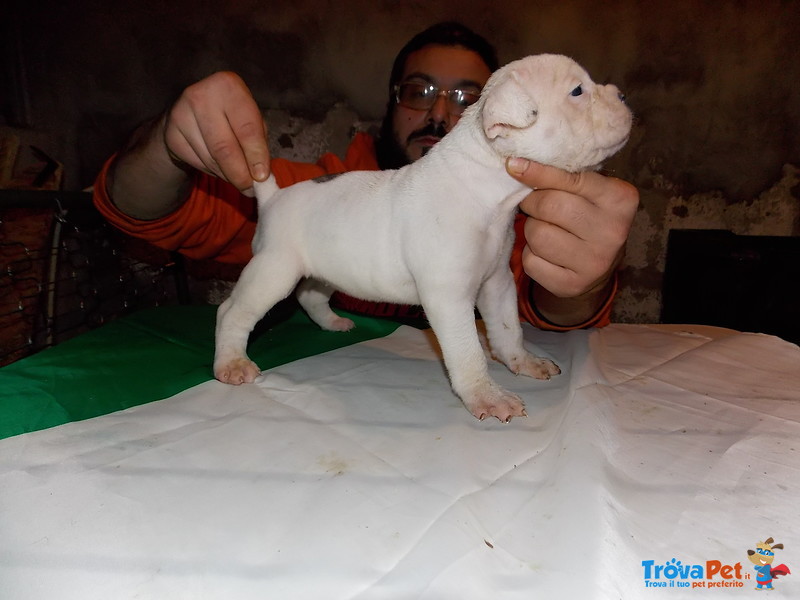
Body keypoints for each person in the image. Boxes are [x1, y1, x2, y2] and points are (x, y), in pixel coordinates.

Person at [93, 22, 638, 330]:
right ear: (389, 103)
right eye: (419, 91)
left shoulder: (512, 213)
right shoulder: (313, 187)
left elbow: (544, 313)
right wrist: (167, 144)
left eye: (466, 98)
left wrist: (580, 286)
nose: (440, 115)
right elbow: (145, 213)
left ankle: (313, 301)